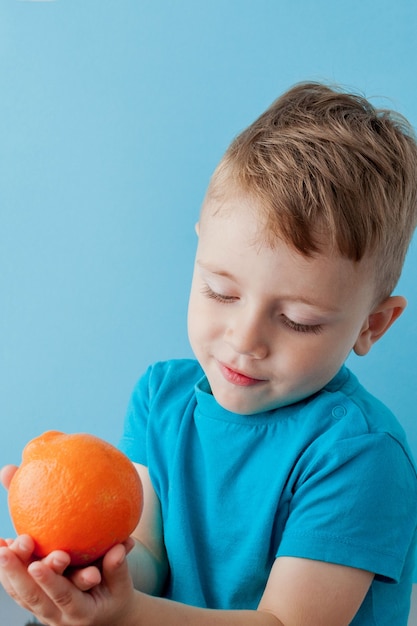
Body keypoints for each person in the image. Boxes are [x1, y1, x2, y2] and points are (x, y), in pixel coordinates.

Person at [1, 81, 417, 626]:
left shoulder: (359, 454)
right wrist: (97, 579)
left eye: (298, 321)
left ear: (373, 325)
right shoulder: (160, 398)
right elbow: (148, 555)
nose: (245, 341)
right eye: (221, 291)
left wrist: (125, 615)